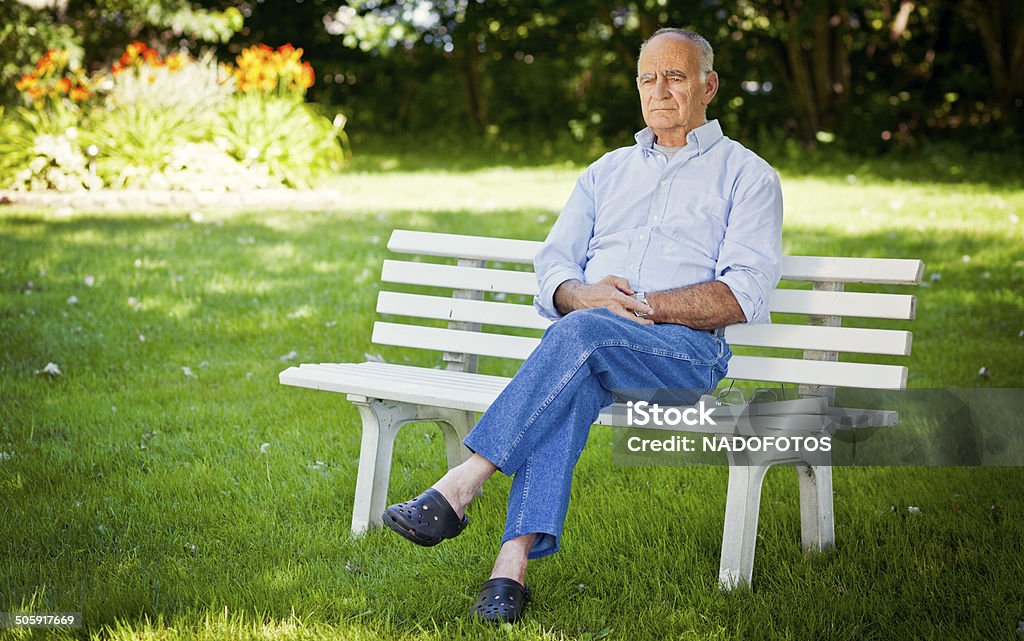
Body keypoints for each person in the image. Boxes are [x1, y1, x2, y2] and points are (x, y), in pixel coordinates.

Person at [382, 27, 783, 623]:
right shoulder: (606, 172)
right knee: (575, 369)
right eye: (648, 79)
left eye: (675, 76)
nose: (660, 91)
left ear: (709, 85)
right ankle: (508, 570)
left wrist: (638, 304)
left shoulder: (747, 176)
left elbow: (742, 294)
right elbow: (553, 267)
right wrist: (583, 294)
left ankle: (462, 484)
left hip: (683, 357)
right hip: (590, 351)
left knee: (580, 335)